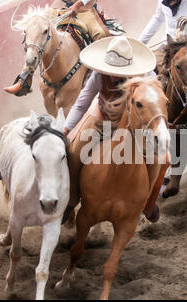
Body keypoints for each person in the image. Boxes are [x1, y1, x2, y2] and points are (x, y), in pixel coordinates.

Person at [63, 36, 164, 222]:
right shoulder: (98, 75)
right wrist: (66, 128)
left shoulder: (145, 78)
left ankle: (146, 202)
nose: (110, 73)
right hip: (103, 118)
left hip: (135, 125)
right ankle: (71, 200)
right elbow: (82, 102)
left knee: (159, 157)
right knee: (75, 151)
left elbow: (157, 104)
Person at [4, 0, 110, 96]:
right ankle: (25, 79)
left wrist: (78, 4)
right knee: (37, 27)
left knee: (101, 35)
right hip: (60, 6)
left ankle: (103, 80)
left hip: (85, 9)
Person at [138, 0, 187, 72]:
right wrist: (140, 43)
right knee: (146, 68)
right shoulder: (164, 1)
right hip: (167, 49)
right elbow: (158, 19)